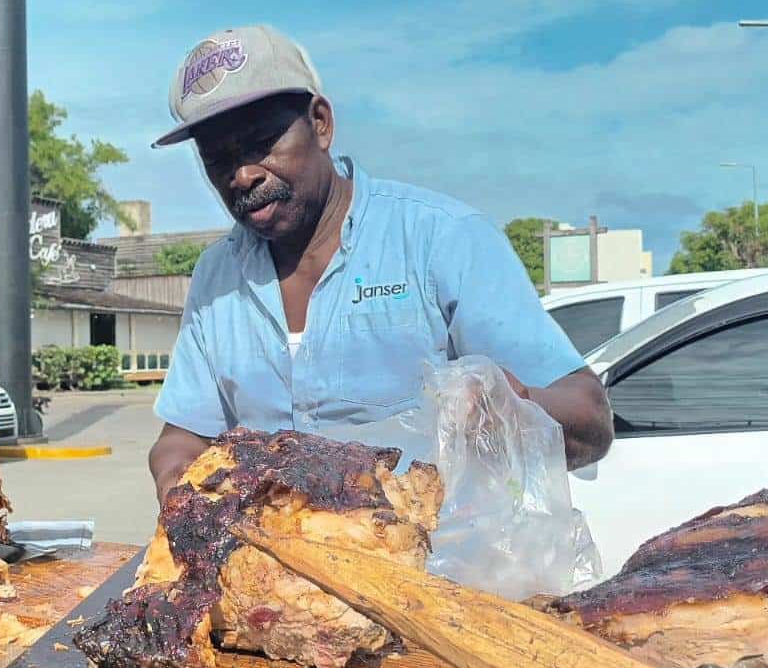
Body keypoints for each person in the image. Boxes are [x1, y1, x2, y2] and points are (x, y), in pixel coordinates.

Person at [147, 25, 613, 501]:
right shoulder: (217, 276)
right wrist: (178, 483)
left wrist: (514, 408)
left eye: (263, 142)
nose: (242, 175)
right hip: (274, 567)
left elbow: (590, 419)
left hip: (434, 564)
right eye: (217, 160)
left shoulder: (443, 238)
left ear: (321, 123)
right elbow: (183, 437)